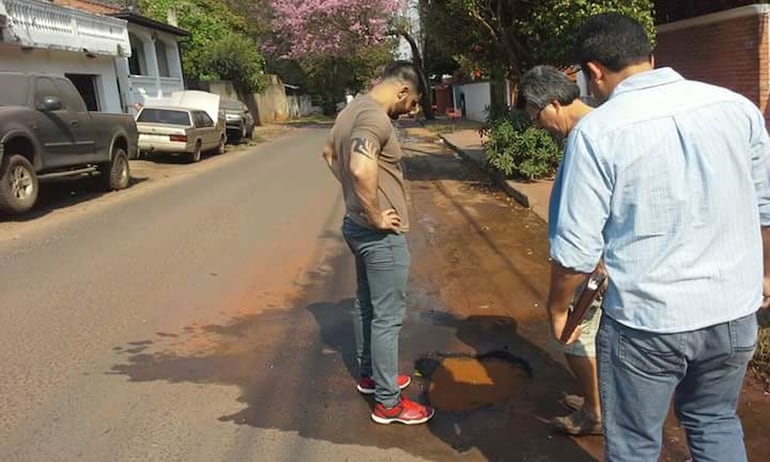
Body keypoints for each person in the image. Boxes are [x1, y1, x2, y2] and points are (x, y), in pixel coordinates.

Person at [547, 12, 770, 461]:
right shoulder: (736, 107)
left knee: (635, 443)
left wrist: (557, 308)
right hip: (732, 313)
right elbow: (764, 207)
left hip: (647, 322)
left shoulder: (598, 131)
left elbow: (576, 251)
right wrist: (764, 275)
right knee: (714, 420)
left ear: (594, 71)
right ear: (651, 55)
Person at [321, 61, 435, 425]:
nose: (412, 110)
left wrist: (355, 202)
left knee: (367, 305)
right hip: (377, 235)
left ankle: (372, 376)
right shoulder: (375, 118)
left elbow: (328, 154)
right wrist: (373, 213)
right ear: (402, 91)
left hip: (355, 227)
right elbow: (358, 166)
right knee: (387, 317)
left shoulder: (349, 112)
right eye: (414, 102)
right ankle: (389, 403)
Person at [517, 65, 602, 436]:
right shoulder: (593, 129)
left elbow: (582, 228)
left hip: (590, 267)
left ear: (553, 103)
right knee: (594, 339)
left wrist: (557, 304)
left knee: (571, 336)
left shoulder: (588, 136)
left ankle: (596, 415)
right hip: (597, 263)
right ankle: (594, 399)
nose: (539, 126)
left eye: (537, 117)